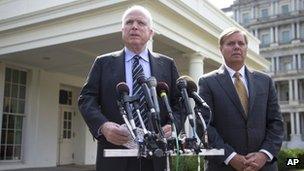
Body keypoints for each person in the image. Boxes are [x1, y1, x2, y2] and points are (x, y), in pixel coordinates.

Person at [78, 5, 181, 171]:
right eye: (129, 22)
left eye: (141, 23)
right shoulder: (103, 62)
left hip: (156, 154)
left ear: (151, 32)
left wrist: (174, 125)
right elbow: (86, 99)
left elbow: (179, 104)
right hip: (115, 152)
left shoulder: (167, 64)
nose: (134, 26)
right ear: (122, 30)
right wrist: (103, 126)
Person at [197, 27, 284, 171]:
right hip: (224, 166)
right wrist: (230, 157)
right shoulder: (207, 82)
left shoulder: (265, 81)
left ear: (246, 48)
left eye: (241, 43)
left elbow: (276, 122)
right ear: (221, 48)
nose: (237, 47)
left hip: (264, 166)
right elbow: (204, 126)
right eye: (231, 43)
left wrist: (264, 154)